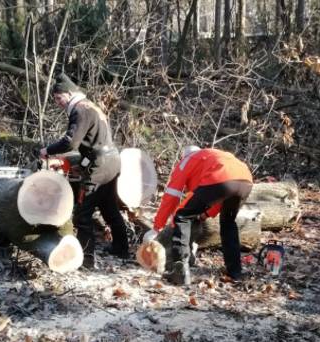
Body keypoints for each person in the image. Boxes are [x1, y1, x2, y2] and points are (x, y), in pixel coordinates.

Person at [40, 74, 128, 269]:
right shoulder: (91, 106)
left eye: (58, 98)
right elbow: (95, 145)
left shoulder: (80, 110)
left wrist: (47, 151)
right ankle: (122, 248)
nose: (57, 103)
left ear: (70, 93)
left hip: (101, 164)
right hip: (110, 159)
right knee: (109, 208)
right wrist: (83, 164)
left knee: (83, 212)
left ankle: (86, 259)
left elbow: (71, 142)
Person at [144, 146, 253, 286]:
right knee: (228, 223)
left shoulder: (187, 160)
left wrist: (157, 225)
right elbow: (217, 197)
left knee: (182, 216)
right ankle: (235, 272)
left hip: (221, 177)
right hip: (246, 180)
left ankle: (180, 270)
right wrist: (204, 215)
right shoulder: (211, 157)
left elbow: (172, 194)